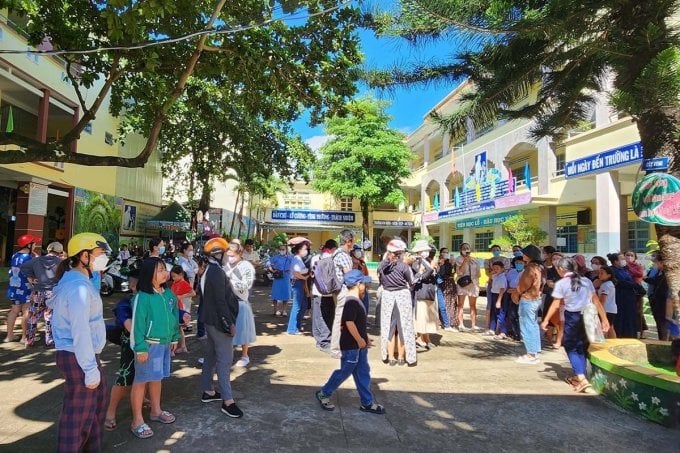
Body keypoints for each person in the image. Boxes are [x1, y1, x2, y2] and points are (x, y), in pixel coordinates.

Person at [48, 233, 110, 452]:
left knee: (94, 410)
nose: (104, 258)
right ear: (85, 255)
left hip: (83, 355)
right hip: (78, 356)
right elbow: (80, 329)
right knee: (77, 418)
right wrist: (90, 367)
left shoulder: (80, 282)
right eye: (101, 253)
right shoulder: (78, 289)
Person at [315, 270, 385, 415]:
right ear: (358, 285)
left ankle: (367, 402)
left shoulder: (354, 300)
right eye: (363, 283)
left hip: (358, 346)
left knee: (363, 372)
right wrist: (360, 340)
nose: (365, 286)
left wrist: (364, 339)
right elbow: (349, 323)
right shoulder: (351, 302)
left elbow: (357, 324)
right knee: (344, 372)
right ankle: (324, 393)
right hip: (351, 346)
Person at [129, 257, 180, 439]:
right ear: (149, 274)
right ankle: (137, 420)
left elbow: (174, 316)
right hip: (148, 345)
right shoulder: (142, 297)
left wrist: (175, 337)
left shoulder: (168, 294)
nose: (165, 273)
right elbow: (137, 326)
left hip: (164, 344)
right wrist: (141, 348)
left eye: (165, 269)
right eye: (160, 270)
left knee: (157, 378)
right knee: (141, 380)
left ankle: (156, 411)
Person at [541, 257, 609, 393]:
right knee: (582, 346)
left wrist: (546, 320)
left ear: (561, 269)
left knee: (571, 346)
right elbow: (595, 300)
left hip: (573, 316)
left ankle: (581, 378)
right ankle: (580, 377)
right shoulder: (586, 281)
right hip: (587, 317)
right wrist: (604, 318)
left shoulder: (562, 283)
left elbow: (555, 304)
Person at [198, 237, 243, 418]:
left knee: (210, 355)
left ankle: (208, 390)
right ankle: (227, 401)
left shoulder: (210, 270)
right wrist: (229, 324)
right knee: (224, 361)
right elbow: (220, 302)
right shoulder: (216, 272)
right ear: (218, 254)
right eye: (226, 252)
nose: (228, 255)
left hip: (209, 321)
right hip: (218, 323)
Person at [104, 268, 140, 431]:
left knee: (144, 375)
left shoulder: (153, 297)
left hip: (147, 343)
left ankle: (141, 397)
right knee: (126, 376)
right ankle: (110, 413)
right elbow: (124, 318)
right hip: (131, 343)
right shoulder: (127, 302)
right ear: (133, 285)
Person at [378, 239, 416, 366]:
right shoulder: (404, 267)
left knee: (388, 328)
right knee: (403, 328)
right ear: (399, 253)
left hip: (388, 296)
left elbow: (381, 278)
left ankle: (389, 357)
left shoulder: (382, 266)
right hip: (402, 297)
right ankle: (401, 357)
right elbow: (412, 282)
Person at [21, 241, 64, 347]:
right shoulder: (61, 262)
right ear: (59, 251)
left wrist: (31, 278)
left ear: (48, 250)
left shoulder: (37, 260)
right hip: (53, 293)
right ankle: (49, 340)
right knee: (50, 316)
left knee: (33, 316)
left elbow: (24, 267)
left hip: (38, 292)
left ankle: (29, 340)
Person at [223, 239, 257, 367]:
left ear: (239, 253)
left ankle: (245, 355)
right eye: (228, 255)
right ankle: (227, 353)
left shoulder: (246, 266)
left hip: (240, 301)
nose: (229, 258)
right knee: (227, 329)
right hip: (227, 302)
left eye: (232, 255)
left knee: (243, 330)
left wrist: (231, 281)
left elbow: (246, 285)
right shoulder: (226, 266)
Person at [512, 244, 545, 364]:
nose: (522, 256)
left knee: (527, 326)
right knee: (533, 325)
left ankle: (531, 354)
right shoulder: (540, 267)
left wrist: (516, 293)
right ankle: (534, 351)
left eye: (524, 254)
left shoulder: (531, 268)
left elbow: (524, 285)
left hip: (528, 299)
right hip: (536, 299)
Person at [5, 234, 39, 343]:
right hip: (25, 288)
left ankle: (9, 336)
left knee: (14, 311)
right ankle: (24, 337)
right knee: (26, 311)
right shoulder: (29, 258)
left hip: (14, 287)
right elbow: (29, 275)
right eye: (34, 243)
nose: (35, 245)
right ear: (29, 245)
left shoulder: (15, 255)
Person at [329, 229, 355, 356]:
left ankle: (342, 345)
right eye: (353, 241)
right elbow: (349, 276)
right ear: (348, 242)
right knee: (340, 320)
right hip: (342, 290)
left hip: (337, 290)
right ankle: (335, 349)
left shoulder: (336, 253)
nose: (353, 243)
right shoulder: (343, 255)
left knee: (342, 319)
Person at [311, 240, 337, 352]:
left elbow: (312, 274)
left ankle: (319, 340)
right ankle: (324, 342)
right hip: (328, 293)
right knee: (327, 317)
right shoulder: (332, 259)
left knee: (317, 317)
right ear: (333, 249)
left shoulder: (315, 258)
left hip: (316, 291)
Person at [411, 240, 438, 349]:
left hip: (430, 292)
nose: (427, 252)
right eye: (424, 250)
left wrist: (434, 268)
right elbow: (421, 277)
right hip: (421, 292)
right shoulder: (416, 262)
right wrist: (431, 268)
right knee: (422, 317)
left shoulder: (428, 261)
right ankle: (420, 338)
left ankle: (427, 338)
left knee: (428, 317)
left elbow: (433, 276)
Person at [454, 242, 481, 331]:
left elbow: (478, 273)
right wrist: (465, 261)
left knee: (472, 305)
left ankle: (473, 325)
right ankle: (461, 324)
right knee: (460, 304)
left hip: (473, 284)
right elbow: (459, 272)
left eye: (467, 248)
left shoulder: (475, 260)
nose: (466, 250)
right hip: (462, 284)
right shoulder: (458, 259)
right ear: (461, 250)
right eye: (464, 248)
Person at [169, 265, 194, 353]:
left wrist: (181, 296)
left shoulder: (183, 283)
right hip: (173, 307)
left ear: (181, 274)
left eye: (174, 276)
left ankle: (173, 349)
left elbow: (193, 293)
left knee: (174, 328)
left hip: (178, 308)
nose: (173, 278)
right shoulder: (175, 282)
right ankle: (182, 346)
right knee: (179, 328)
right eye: (172, 277)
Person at [287, 242, 310, 335]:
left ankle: (297, 325)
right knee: (297, 306)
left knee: (303, 304)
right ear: (299, 250)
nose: (306, 251)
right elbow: (296, 273)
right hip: (297, 283)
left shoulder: (298, 259)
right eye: (304, 249)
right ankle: (292, 328)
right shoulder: (296, 259)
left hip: (300, 282)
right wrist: (305, 277)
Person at [645, 254, 669, 341]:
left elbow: (656, 282)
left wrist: (646, 278)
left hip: (664, 301)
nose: (655, 264)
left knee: (662, 322)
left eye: (656, 262)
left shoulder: (667, 275)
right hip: (658, 300)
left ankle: (664, 340)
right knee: (660, 321)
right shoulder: (659, 272)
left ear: (662, 262)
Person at [177, 242, 199, 332]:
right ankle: (184, 324)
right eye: (189, 250)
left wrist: (194, 270)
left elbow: (196, 267)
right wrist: (194, 271)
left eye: (192, 249)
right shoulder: (181, 261)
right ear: (184, 250)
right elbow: (190, 273)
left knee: (187, 305)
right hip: (183, 289)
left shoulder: (190, 260)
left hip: (189, 287)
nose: (191, 251)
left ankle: (186, 324)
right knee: (184, 306)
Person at [435, 247, 458, 332]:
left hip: (448, 284)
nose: (445, 253)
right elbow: (437, 273)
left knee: (448, 304)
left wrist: (452, 265)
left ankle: (448, 323)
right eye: (444, 252)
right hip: (439, 284)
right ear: (440, 253)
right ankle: (441, 323)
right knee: (440, 305)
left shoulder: (449, 262)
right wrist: (440, 264)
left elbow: (452, 273)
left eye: (447, 252)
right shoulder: (438, 262)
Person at [269, 243, 292, 317]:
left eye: (283, 249)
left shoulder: (290, 258)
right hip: (278, 276)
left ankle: (284, 310)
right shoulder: (275, 257)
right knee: (276, 293)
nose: (282, 251)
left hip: (286, 276)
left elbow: (294, 265)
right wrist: (273, 270)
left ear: (286, 250)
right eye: (280, 249)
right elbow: (268, 263)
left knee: (286, 293)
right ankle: (276, 310)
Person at [487, 261, 508, 337]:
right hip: (494, 295)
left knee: (501, 313)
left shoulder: (502, 277)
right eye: (494, 268)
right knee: (493, 313)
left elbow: (502, 289)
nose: (495, 270)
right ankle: (492, 329)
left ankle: (502, 331)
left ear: (502, 269)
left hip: (500, 296)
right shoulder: (495, 275)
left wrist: (499, 301)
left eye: (497, 268)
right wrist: (492, 272)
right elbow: (490, 277)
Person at [598, 266, 618, 339]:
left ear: (609, 275)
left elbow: (603, 299)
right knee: (610, 327)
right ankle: (613, 342)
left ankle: (603, 343)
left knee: (604, 327)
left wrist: (599, 309)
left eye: (602, 273)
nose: (599, 275)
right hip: (611, 309)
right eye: (599, 273)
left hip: (606, 309)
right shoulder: (608, 284)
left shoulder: (606, 285)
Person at [350, 244, 370, 313]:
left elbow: (367, 275)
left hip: (363, 289)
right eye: (357, 250)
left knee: (364, 308)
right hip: (352, 290)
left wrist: (367, 283)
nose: (359, 252)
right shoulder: (349, 263)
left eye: (359, 250)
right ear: (352, 252)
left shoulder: (362, 263)